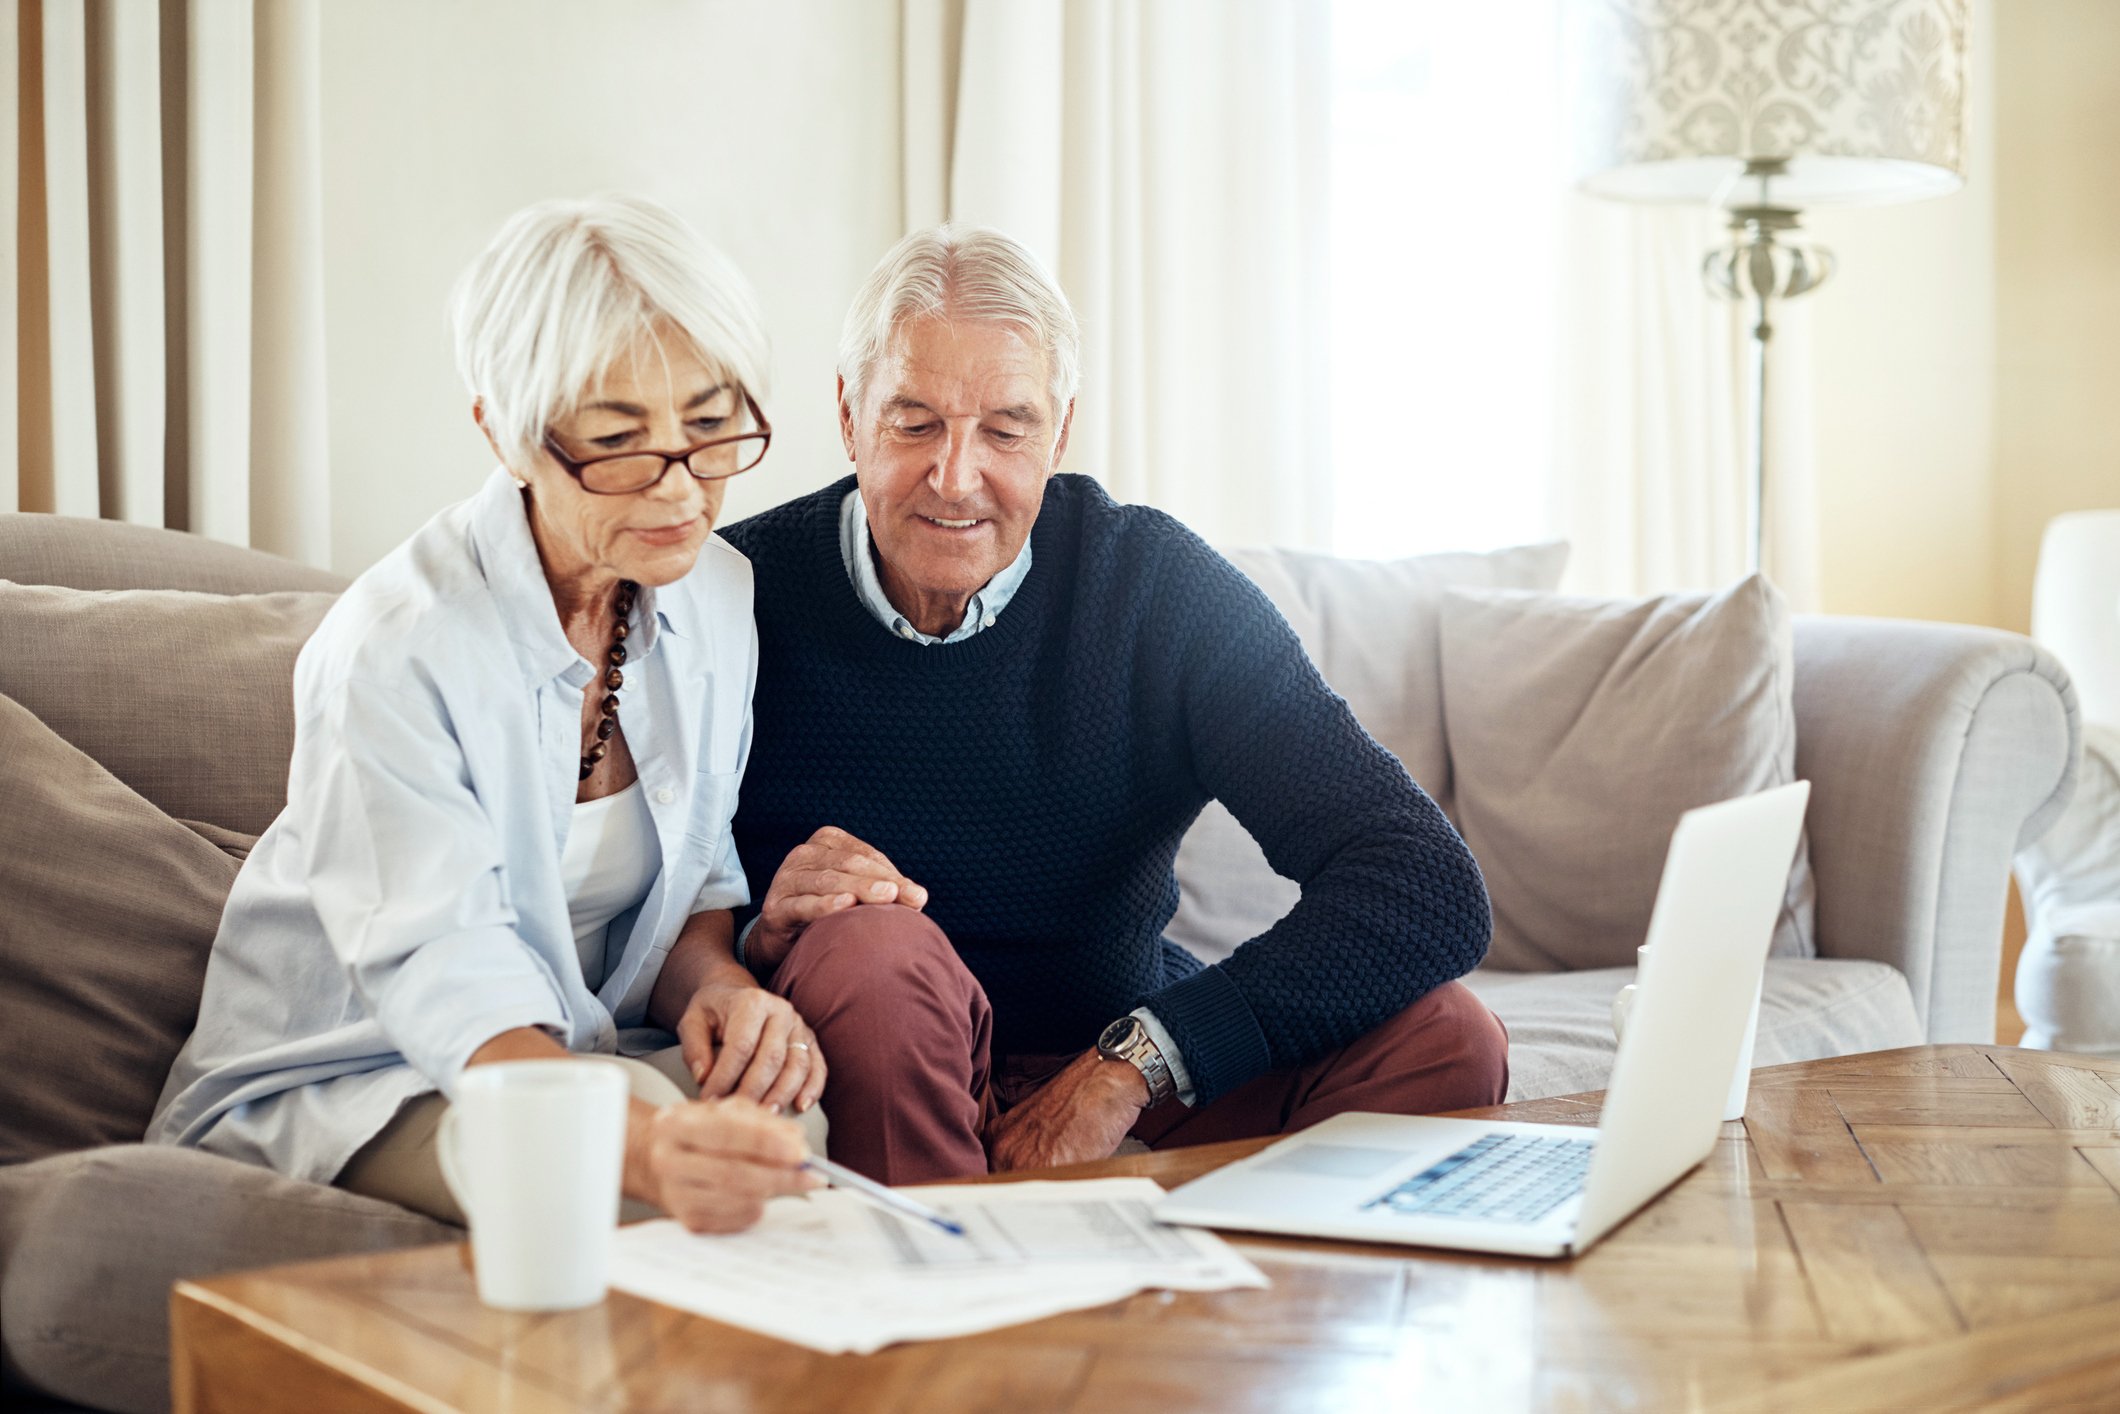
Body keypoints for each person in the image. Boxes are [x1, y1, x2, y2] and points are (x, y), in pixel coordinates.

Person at [719, 225, 1508, 1185]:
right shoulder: (733, 593)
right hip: (875, 1044)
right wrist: (759, 929)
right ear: (849, 418)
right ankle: (951, 1297)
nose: (957, 476)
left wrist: (1127, 1067)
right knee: (877, 957)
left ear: (1060, 430)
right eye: (914, 421)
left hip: (1116, 1054)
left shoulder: (1154, 587)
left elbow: (1426, 882)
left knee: (1449, 1037)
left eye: (1005, 429)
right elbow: (626, 915)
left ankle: (1206, 1302)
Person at [149, 196, 820, 1232]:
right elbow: (447, 983)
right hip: (361, 1076)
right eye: (617, 438)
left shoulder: (716, 595)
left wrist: (721, 990)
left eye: (709, 421)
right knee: (613, 1162)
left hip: (574, 1051)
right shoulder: (394, 648)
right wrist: (639, 1142)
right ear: (507, 436)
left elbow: (692, 893)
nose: (681, 487)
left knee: (785, 1131)